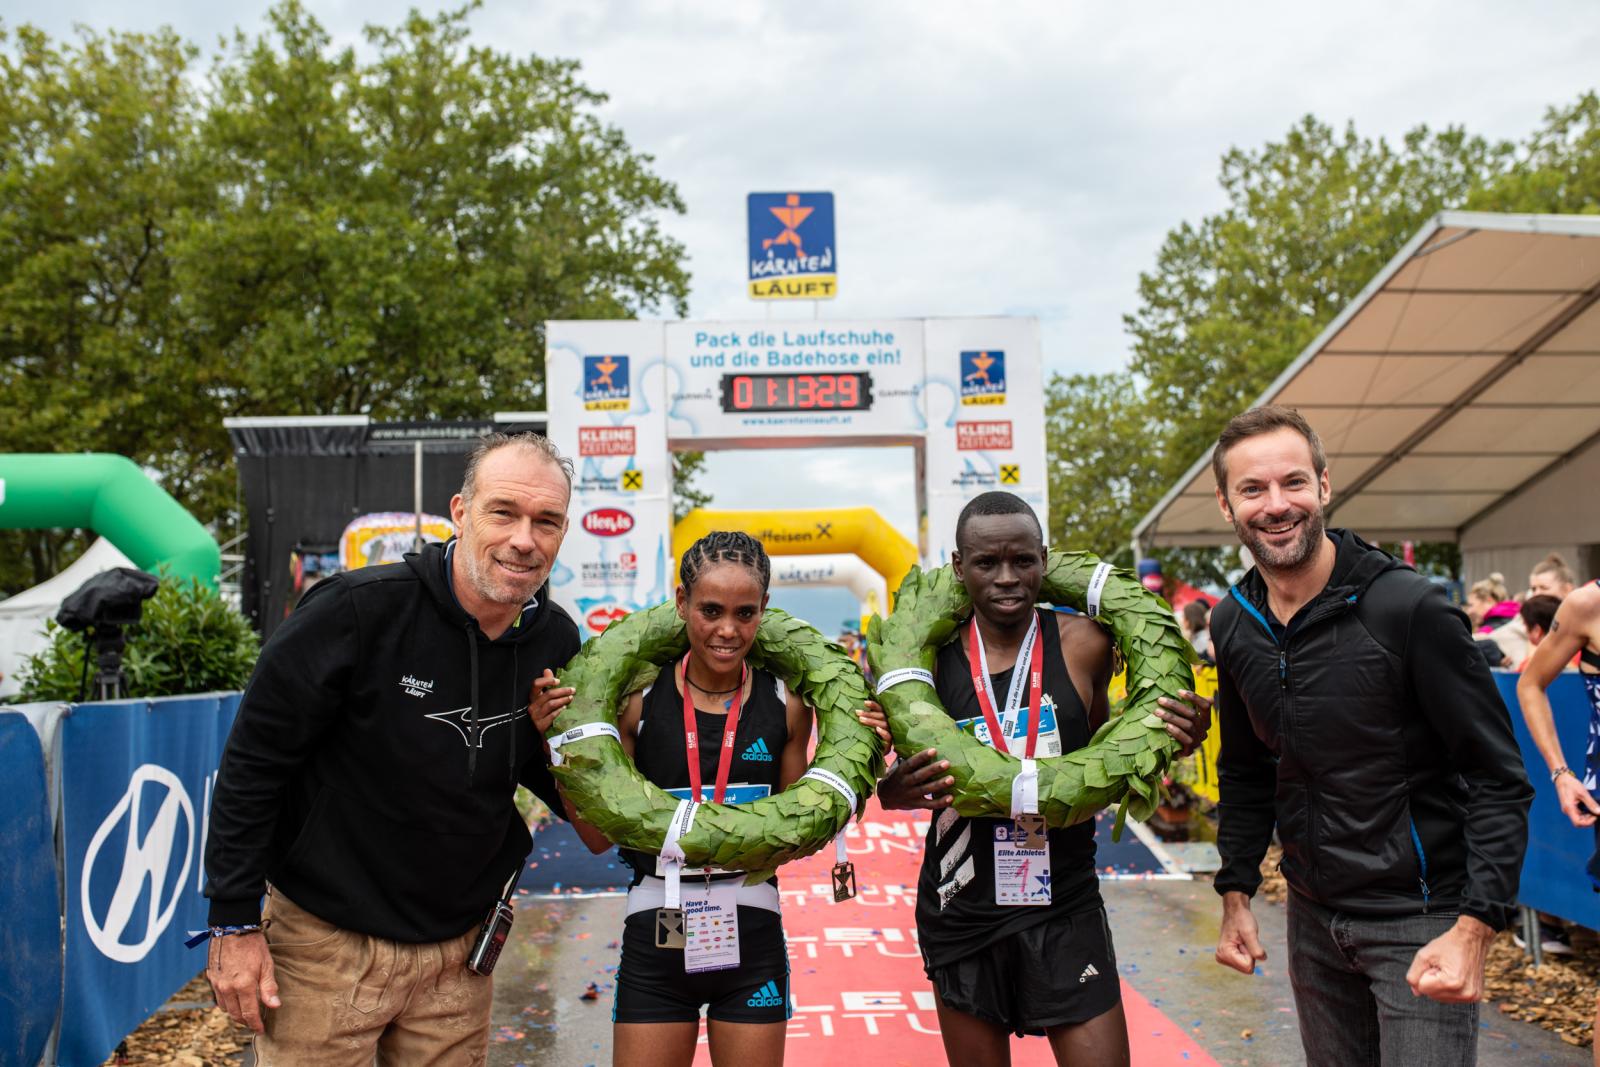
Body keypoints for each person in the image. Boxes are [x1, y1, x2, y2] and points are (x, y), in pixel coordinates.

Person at [203, 433, 582, 1062]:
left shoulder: (556, 642)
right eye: (503, 512)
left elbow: (563, 792)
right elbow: (253, 764)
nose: (525, 538)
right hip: (326, 947)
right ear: (460, 511)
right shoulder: (354, 611)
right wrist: (235, 922)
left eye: (546, 521)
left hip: (460, 958)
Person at [1206, 405, 1533, 1067]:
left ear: (1325, 486)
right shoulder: (1232, 624)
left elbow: (1500, 777)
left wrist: (1475, 926)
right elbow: (1245, 770)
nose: (1277, 505)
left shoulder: (1409, 607)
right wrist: (1235, 891)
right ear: (1226, 504)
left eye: (1294, 482)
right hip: (1311, 918)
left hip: (1418, 918)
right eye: (1253, 489)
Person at [877, 491, 1212, 1067]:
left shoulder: (1086, 644)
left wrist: (1178, 730)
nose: (1007, 578)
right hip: (963, 906)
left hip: (1064, 898)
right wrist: (893, 792)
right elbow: (889, 779)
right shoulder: (927, 662)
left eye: (1023, 560)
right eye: (986, 563)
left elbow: (1118, 745)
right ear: (959, 567)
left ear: (1044, 560)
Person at [564, 531, 889, 1067]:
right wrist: (564, 756)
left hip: (752, 934)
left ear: (765, 612)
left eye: (745, 613)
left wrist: (868, 745)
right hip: (657, 936)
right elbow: (597, 838)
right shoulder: (635, 704)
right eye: (710, 610)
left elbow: (796, 828)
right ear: (680, 604)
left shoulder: (787, 706)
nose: (727, 630)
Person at [1181, 599, 1214, 665]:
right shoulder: (1197, 636)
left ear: (1190, 619)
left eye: (1184, 616)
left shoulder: (1202, 639)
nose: (1182, 620)